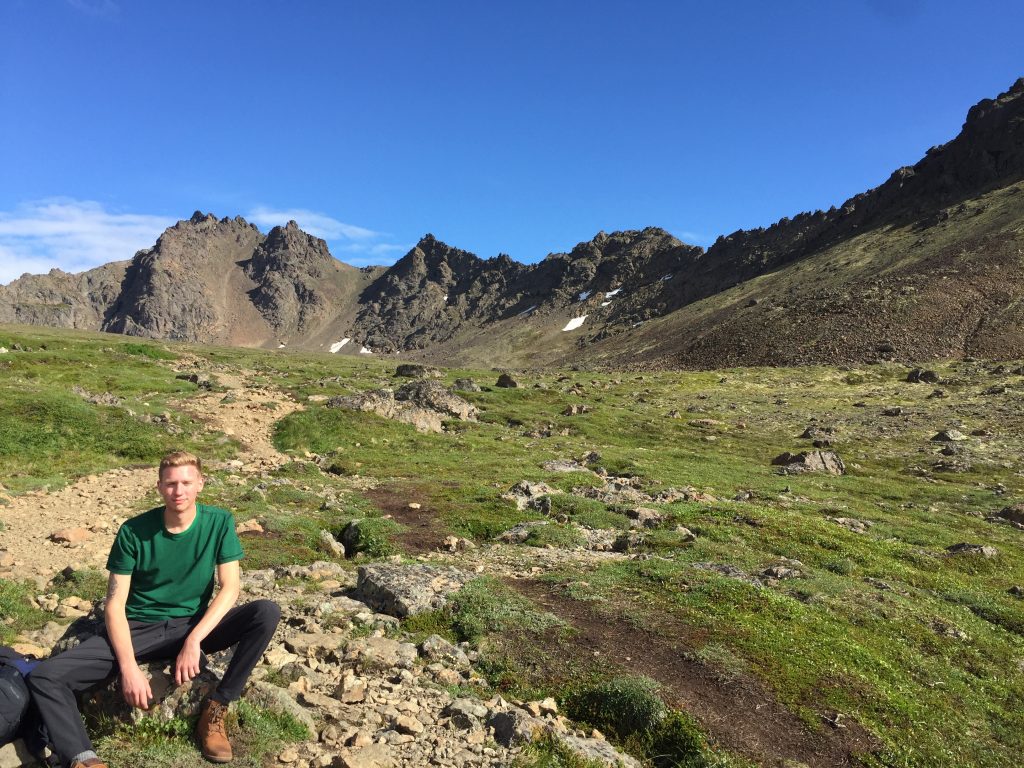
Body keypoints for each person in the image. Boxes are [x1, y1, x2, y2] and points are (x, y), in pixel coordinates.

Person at [28, 451, 281, 768]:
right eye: (171, 484)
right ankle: (84, 758)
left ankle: (216, 708)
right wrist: (129, 667)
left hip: (191, 624)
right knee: (46, 677)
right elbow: (115, 604)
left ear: (200, 484)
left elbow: (230, 588)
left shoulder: (219, 523)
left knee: (266, 612)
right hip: (138, 628)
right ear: (160, 487)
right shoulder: (133, 531)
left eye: (187, 482)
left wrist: (194, 640)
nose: (180, 491)